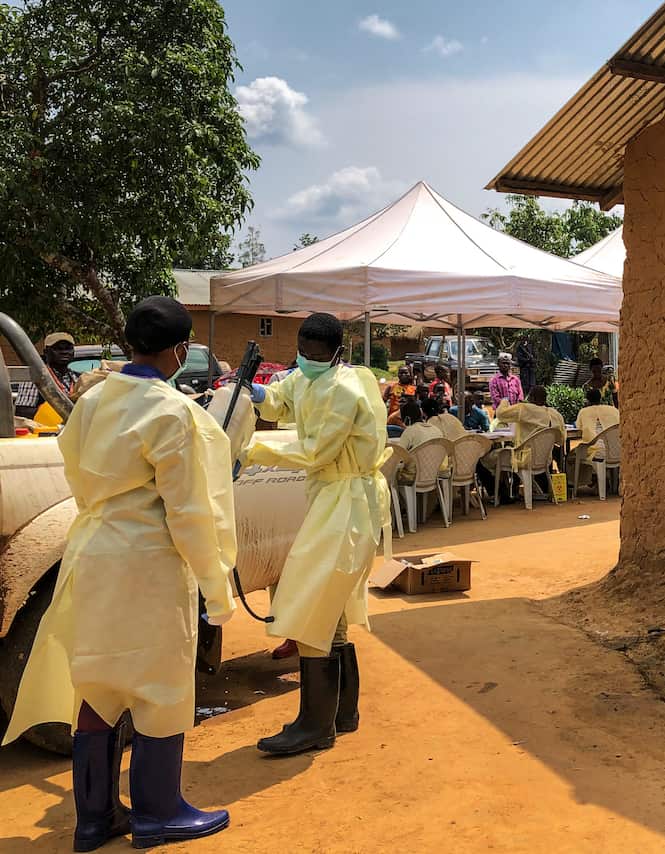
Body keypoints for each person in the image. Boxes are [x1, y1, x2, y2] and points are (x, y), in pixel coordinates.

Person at [2, 297, 237, 849]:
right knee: (160, 687)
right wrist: (215, 586)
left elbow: (72, 461)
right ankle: (159, 814)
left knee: (98, 687)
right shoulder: (172, 411)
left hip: (91, 551)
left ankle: (94, 818)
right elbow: (189, 512)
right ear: (180, 350)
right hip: (147, 563)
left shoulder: (93, 399)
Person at [245, 312, 390, 756]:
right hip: (330, 496)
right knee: (333, 606)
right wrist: (253, 393)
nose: (306, 360)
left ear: (335, 353)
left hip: (347, 500)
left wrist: (251, 451)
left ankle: (314, 724)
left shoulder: (344, 389)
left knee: (311, 602)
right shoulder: (308, 376)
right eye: (302, 353)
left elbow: (314, 451)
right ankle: (341, 713)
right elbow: (281, 399)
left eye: (315, 355)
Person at [482, 386, 565, 497]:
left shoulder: (525, 409)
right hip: (545, 459)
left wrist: (505, 400)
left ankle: (501, 494)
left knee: (485, 458)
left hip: (523, 459)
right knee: (512, 452)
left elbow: (501, 414)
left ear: (533, 397)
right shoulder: (556, 414)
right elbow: (561, 440)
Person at [14, 332, 81, 419]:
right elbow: (22, 411)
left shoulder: (78, 378)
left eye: (68, 348)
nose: (64, 352)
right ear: (46, 352)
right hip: (46, 430)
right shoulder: (35, 377)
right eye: (58, 349)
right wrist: (52, 414)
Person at [395, 399, 444, 485]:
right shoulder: (436, 429)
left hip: (413, 476)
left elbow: (399, 455)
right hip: (434, 473)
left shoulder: (410, 431)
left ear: (407, 418)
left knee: (392, 477)